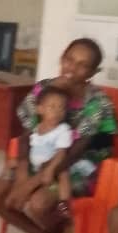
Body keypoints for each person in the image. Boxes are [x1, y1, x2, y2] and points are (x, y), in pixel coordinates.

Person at [0, 38, 118, 233]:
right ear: (62, 57)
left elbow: (74, 152)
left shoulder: (98, 103)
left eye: (83, 65)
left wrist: (31, 184)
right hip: (38, 159)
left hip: (78, 166)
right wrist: (22, 175)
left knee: (39, 203)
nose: (72, 68)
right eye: (69, 59)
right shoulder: (44, 89)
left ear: (92, 73)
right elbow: (26, 136)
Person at [28, 85, 74, 219]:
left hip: (56, 165)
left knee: (63, 173)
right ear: (40, 109)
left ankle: (64, 203)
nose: (57, 111)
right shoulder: (37, 129)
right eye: (52, 107)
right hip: (38, 168)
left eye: (61, 108)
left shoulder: (62, 130)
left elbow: (61, 153)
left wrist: (51, 168)